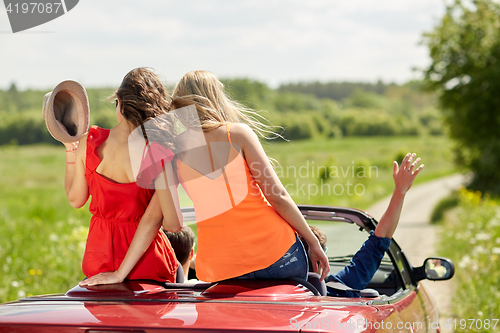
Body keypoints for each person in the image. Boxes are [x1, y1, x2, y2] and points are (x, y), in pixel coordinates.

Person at [164, 70, 330, 283]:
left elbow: (169, 217)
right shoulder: (237, 134)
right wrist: (312, 242)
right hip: (276, 256)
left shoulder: (173, 151)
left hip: (220, 268)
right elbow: (277, 196)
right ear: (214, 97)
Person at [63, 68, 182, 286]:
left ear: (119, 102)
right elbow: (173, 224)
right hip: (147, 265)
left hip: (98, 260)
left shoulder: (88, 142)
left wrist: (70, 152)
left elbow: (75, 199)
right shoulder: (158, 153)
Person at [324, 152, 424, 296]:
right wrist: (400, 191)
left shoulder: (279, 293)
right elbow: (381, 237)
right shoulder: (338, 290)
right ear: (321, 261)